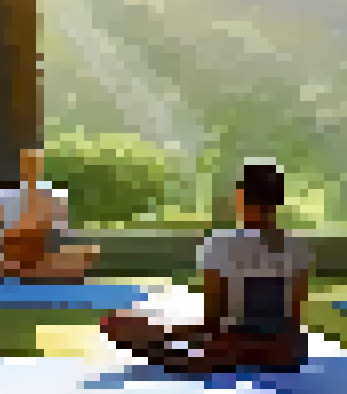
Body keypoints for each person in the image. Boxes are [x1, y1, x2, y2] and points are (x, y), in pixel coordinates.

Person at [100, 160, 312, 375]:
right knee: (242, 344)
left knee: (120, 323)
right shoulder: (298, 247)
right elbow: (292, 318)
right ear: (279, 200)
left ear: (240, 197)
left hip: (232, 346)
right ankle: (186, 353)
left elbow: (213, 321)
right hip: (284, 351)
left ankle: (169, 353)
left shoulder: (220, 243)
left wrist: (165, 334)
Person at [0, 146, 98, 282]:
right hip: (12, 252)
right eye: (27, 163)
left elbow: (63, 234)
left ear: (41, 166)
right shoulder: (4, 195)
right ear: (21, 166)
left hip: (44, 252)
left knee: (86, 253)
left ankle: (22, 270)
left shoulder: (56, 195)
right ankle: (23, 269)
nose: (31, 167)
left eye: (35, 163)